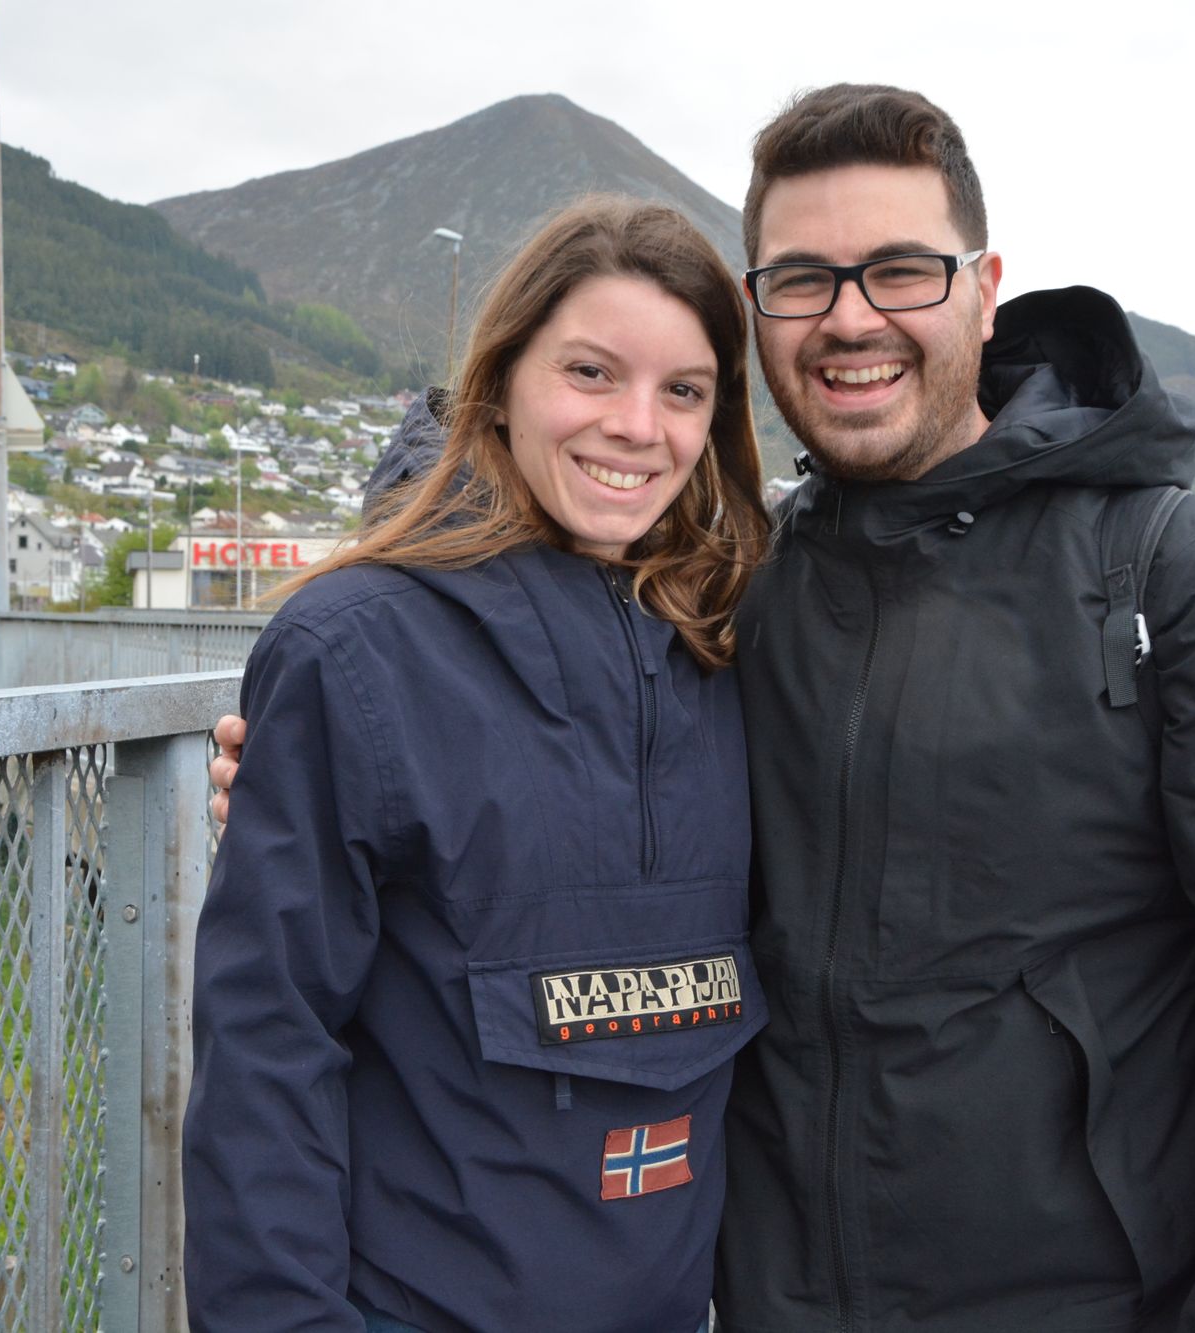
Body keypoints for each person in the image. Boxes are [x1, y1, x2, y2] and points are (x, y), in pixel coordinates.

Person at [209, 86, 1195, 1333]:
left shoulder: (1182, 582)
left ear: (981, 284)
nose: (849, 319)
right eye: (801, 280)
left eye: (898, 270)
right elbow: (557, 768)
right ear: (758, 308)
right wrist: (328, 767)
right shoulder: (740, 593)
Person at [184, 197, 770, 1333]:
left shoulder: (742, 642)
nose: (636, 426)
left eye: (682, 390)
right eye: (591, 373)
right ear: (500, 380)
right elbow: (268, 1049)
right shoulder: (352, 648)